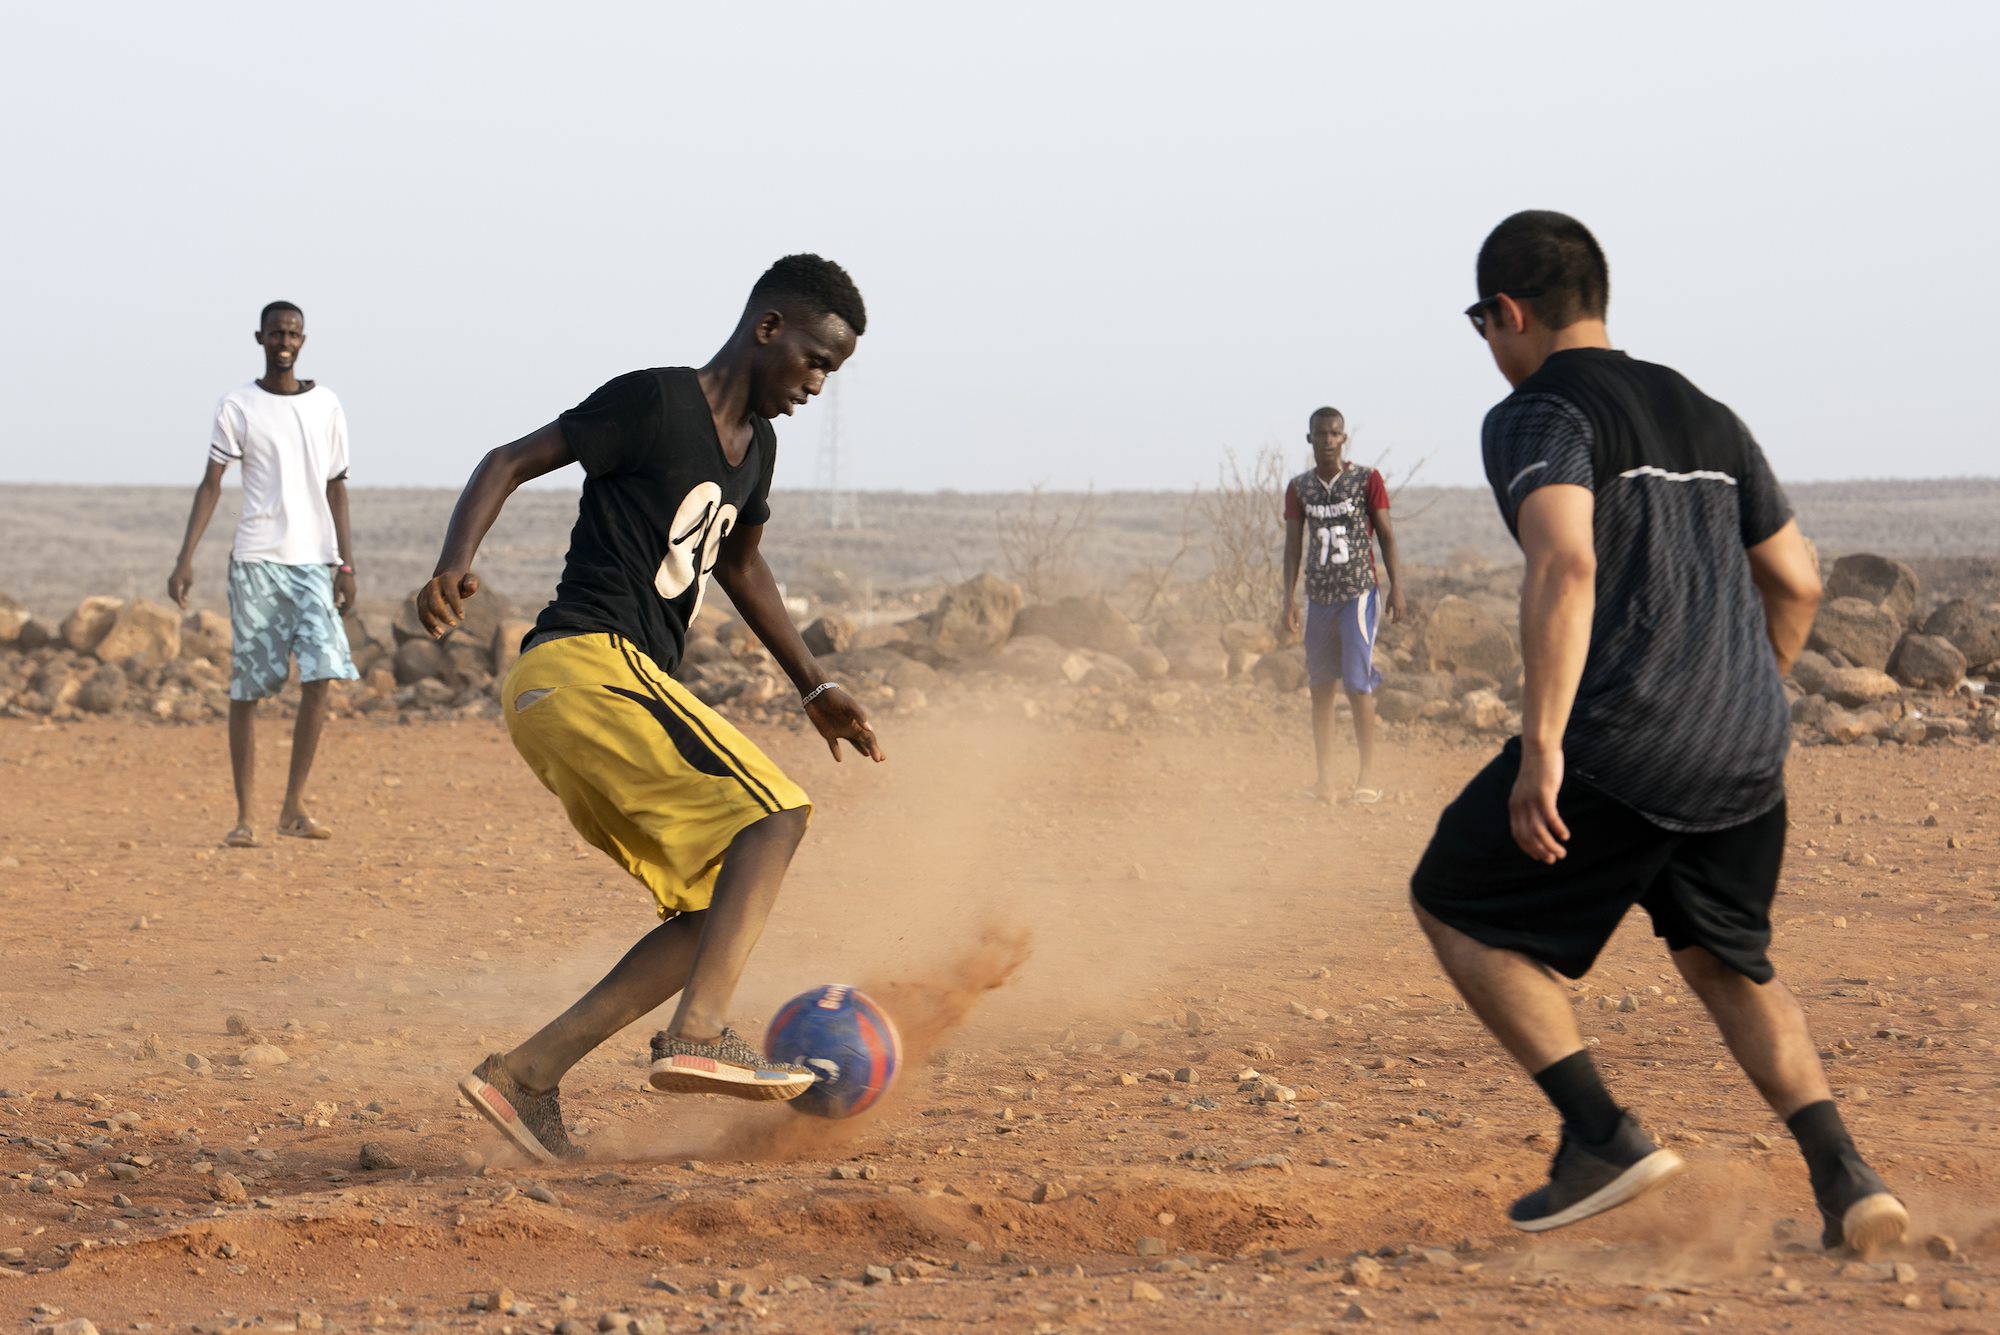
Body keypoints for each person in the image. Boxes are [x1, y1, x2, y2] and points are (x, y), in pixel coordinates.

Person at [1409, 211, 1907, 1255]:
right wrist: (1745, 697)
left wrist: (1542, 747)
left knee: (1453, 898)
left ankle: (1599, 1136)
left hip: (1625, 737)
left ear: (1507, 313)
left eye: (1480, 323)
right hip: (1745, 750)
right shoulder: (1705, 413)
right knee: (1728, 961)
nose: (1486, 344)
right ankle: (1850, 1182)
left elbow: (1564, 563)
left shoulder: (1538, 413)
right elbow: (1796, 581)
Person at [419, 255, 884, 1163]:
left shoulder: (759, 450)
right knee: (777, 815)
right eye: (815, 361)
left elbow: (740, 563)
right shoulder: (657, 401)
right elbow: (509, 460)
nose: (817, 386)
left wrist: (814, 683)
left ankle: (528, 1074)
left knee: (716, 910)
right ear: (769, 328)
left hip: (587, 694)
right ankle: (699, 1031)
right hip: (586, 663)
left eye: (833, 372)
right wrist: (453, 562)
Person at [169, 300, 358, 848]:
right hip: (256, 562)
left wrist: (346, 563)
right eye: (276, 332)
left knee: (322, 673)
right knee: (249, 686)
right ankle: (245, 817)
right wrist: (185, 558)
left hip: (314, 564)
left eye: (293, 333)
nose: (284, 341)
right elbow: (212, 483)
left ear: (304, 341)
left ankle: (293, 807)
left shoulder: (326, 405)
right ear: (260, 338)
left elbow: (337, 486)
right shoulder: (238, 405)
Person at [1281, 407, 1403, 804]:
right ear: (1310, 439)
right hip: (1318, 598)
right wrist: (1288, 599)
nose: (1328, 440)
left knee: (1356, 683)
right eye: (1320, 434)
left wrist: (1397, 587)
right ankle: (1325, 782)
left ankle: (1366, 778)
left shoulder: (1366, 480)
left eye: (1334, 434)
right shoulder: (1300, 488)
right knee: (1320, 687)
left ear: (1343, 439)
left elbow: (1386, 535)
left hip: (1358, 594)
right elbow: (1293, 546)